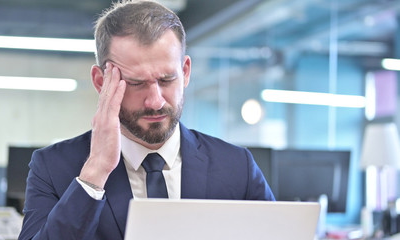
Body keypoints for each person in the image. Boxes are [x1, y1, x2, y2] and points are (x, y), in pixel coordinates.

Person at [18, 1, 275, 239]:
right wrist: (95, 172)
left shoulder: (235, 166)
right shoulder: (53, 167)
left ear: (185, 72)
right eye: (136, 83)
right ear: (101, 82)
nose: (155, 101)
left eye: (166, 80)